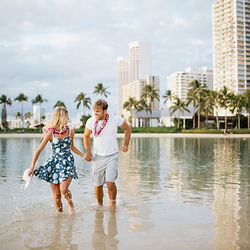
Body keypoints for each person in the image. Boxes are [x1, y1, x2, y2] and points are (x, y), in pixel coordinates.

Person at [28, 107, 85, 215]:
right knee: (57, 196)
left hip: (68, 162)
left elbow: (72, 148)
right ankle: (59, 221)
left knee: (63, 189)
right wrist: (32, 166)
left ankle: (71, 204)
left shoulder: (70, 132)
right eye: (67, 116)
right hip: (54, 164)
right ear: (62, 117)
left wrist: (83, 155)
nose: (68, 118)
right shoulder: (50, 133)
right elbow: (38, 150)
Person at [84, 99, 131, 210]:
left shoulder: (115, 119)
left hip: (112, 156)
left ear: (105, 111)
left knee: (110, 183)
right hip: (97, 157)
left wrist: (125, 144)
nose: (96, 114)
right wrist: (88, 152)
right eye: (94, 111)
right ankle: (100, 206)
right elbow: (86, 136)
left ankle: (113, 204)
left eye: (98, 111)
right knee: (98, 186)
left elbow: (127, 129)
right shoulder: (91, 121)